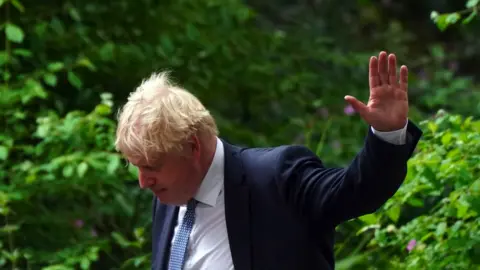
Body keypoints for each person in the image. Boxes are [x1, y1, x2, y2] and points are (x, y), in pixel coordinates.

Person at [114, 51, 422, 270]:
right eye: (137, 167)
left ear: (192, 147)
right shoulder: (168, 199)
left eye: (151, 167)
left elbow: (357, 191)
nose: (143, 182)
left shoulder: (278, 178)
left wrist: (387, 134)